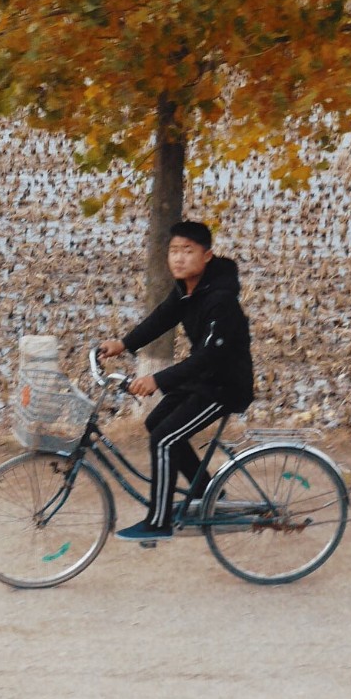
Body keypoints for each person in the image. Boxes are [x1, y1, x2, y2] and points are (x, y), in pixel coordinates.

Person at [96, 220, 254, 542]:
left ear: (207, 256)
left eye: (188, 251)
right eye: (174, 251)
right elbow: (162, 317)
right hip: (204, 380)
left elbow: (209, 356)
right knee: (157, 423)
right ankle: (207, 494)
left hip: (224, 386)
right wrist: (124, 344)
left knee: (165, 439)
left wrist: (159, 379)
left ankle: (158, 522)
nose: (179, 258)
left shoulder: (220, 299)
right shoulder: (187, 289)